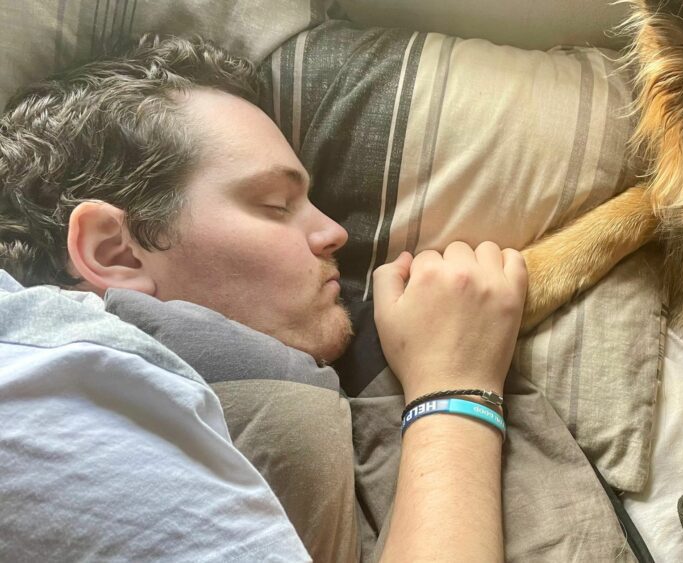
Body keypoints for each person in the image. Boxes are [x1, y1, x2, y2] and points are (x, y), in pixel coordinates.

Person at [0, 35, 525, 562]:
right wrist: (455, 389)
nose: (335, 232)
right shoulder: (53, 407)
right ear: (116, 251)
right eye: (276, 204)